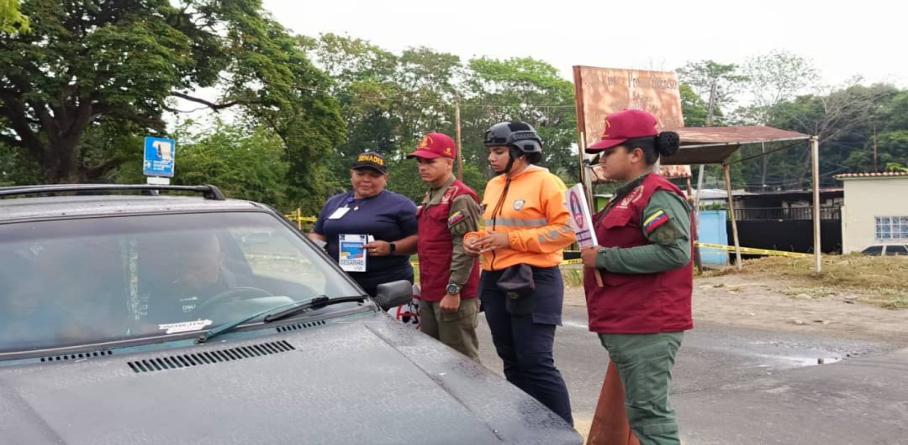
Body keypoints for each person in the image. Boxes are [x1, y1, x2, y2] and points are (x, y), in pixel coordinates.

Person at [580, 109, 693, 445]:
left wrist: (605, 257)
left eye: (609, 151)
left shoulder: (656, 195)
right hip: (627, 319)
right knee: (640, 411)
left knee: (650, 415)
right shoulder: (629, 195)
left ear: (636, 154)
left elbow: (675, 253)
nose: (602, 159)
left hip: (647, 323)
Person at [464, 121, 576, 425]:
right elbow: (493, 230)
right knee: (511, 360)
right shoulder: (494, 185)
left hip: (534, 278)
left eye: (498, 151)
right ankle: (528, 428)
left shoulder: (547, 183)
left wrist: (510, 240)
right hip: (494, 277)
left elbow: (566, 231)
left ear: (522, 152)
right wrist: (478, 242)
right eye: (490, 151)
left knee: (536, 361)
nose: (491, 158)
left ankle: (562, 432)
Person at [406, 132, 482, 361]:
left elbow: (464, 247)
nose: (422, 167)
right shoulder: (432, 194)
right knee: (435, 360)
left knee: (461, 362)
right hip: (432, 291)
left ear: (449, 163)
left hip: (452, 295)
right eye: (420, 161)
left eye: (430, 161)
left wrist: (453, 289)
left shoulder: (460, 197)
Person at [309, 152, 418, 297]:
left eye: (374, 175)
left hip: (386, 287)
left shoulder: (401, 205)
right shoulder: (334, 202)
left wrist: (390, 248)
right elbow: (319, 233)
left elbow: (419, 239)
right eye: (360, 174)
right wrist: (312, 245)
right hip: (339, 283)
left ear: (385, 178)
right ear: (352, 175)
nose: (366, 179)